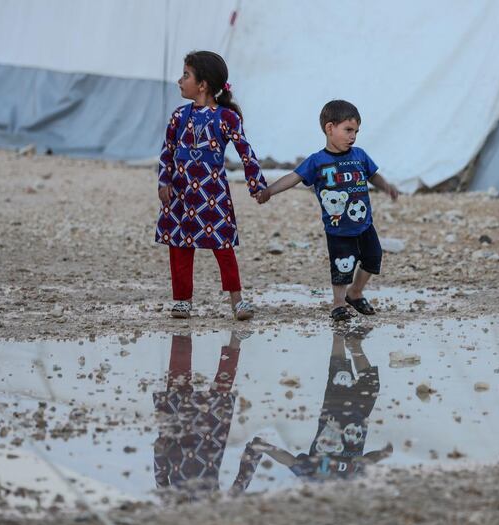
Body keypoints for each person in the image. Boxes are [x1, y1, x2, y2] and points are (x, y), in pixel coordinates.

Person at [254, 100, 398, 321]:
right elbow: (293, 177)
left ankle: (356, 292)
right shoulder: (317, 161)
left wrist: (386, 186)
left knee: (373, 257)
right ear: (330, 128)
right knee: (342, 265)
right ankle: (339, 304)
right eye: (348, 130)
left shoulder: (359, 155)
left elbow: (374, 175)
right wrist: (269, 191)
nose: (353, 136)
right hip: (338, 228)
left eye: (356, 131)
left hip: (364, 224)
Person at [155, 51, 267, 320]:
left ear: (202, 84)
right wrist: (163, 182)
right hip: (180, 194)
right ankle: (182, 300)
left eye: (185, 75)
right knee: (180, 245)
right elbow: (166, 152)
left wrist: (256, 184)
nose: (180, 81)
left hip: (212, 194)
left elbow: (245, 151)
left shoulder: (227, 118)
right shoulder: (178, 116)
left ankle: (237, 301)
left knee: (223, 246)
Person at [247, 326, 392, 481]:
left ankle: (339, 335)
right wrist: (381, 455)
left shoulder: (314, 476)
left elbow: (291, 461)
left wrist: (265, 447)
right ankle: (353, 344)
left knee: (339, 369)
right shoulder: (351, 478)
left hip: (335, 409)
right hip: (360, 414)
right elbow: (366, 461)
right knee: (370, 384)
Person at [152, 331, 262, 501]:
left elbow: (161, 482)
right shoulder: (218, 514)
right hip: (209, 445)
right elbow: (239, 487)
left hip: (177, 442)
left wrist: (159, 454)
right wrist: (253, 454)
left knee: (178, 380)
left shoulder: (173, 512)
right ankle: (235, 340)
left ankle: (183, 329)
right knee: (221, 390)